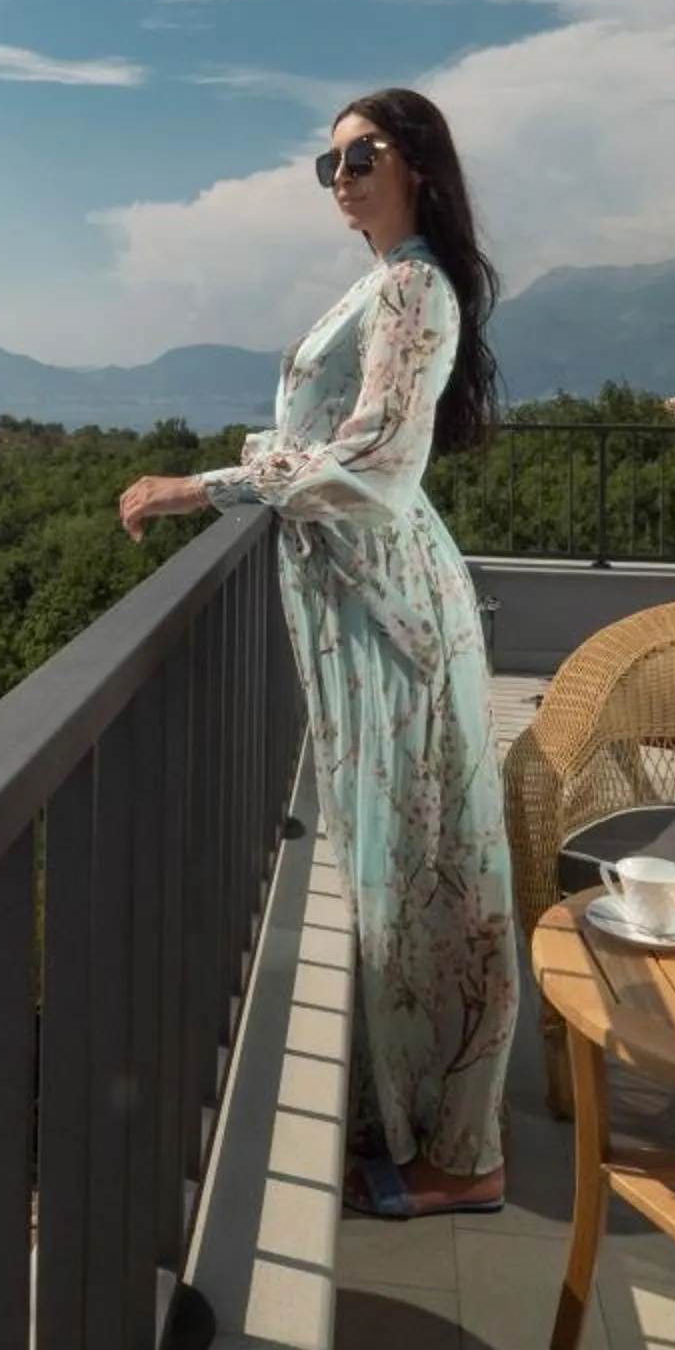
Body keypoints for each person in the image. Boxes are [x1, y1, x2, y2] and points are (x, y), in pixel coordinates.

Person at [116, 88, 516, 1219]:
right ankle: (418, 1116)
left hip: (391, 616)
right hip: (359, 604)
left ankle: (464, 1149)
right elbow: (326, 445)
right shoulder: (383, 282)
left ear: (419, 165)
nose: (340, 175)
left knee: (435, 869)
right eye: (327, 161)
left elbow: (376, 462)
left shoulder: (414, 288)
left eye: (361, 153)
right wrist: (259, 471)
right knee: (401, 860)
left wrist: (211, 485)